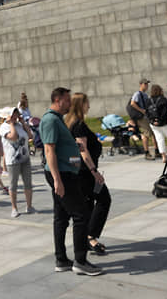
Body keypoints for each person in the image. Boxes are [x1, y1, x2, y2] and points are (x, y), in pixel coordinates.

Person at [40, 87, 101, 276]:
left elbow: (58, 147)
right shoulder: (50, 120)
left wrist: (73, 147)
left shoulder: (57, 120)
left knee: (61, 217)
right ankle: (80, 261)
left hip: (65, 172)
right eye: (67, 101)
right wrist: (57, 180)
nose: (69, 104)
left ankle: (61, 259)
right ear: (58, 100)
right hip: (62, 174)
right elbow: (49, 150)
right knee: (81, 215)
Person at [65, 93, 110, 256]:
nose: (89, 106)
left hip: (81, 171)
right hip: (85, 172)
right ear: (81, 104)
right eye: (87, 103)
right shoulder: (79, 125)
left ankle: (87, 238)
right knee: (104, 199)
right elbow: (82, 150)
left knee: (90, 204)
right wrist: (94, 171)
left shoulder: (73, 123)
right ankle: (90, 236)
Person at [0, 107, 35, 218]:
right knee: (13, 184)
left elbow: (30, 136)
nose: (16, 116)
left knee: (28, 183)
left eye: (17, 114)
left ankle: (29, 206)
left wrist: (23, 123)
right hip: (12, 160)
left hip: (25, 158)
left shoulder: (20, 125)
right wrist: (11, 124)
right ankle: (14, 208)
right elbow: (13, 137)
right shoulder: (4, 127)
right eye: (13, 114)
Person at [147, 84, 167, 162]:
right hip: (164, 123)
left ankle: (163, 156)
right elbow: (165, 112)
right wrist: (160, 120)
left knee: (159, 139)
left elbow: (147, 112)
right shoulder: (163, 99)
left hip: (153, 124)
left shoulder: (148, 100)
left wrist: (153, 121)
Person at [128, 78, 153, 158]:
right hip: (141, 118)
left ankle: (152, 151)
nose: (146, 86)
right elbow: (132, 103)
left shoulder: (144, 94)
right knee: (145, 134)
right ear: (140, 84)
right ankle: (147, 153)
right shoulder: (137, 94)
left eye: (147, 84)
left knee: (148, 134)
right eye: (145, 84)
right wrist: (142, 110)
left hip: (145, 117)